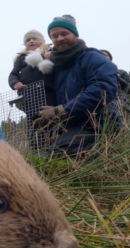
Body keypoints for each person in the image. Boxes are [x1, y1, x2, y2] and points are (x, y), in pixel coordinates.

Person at [33, 15, 119, 157]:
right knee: (45, 154)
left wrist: (62, 111)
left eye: (64, 33)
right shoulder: (58, 68)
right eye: (54, 36)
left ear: (75, 35)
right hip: (71, 127)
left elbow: (103, 89)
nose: (59, 38)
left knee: (63, 153)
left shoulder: (93, 58)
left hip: (98, 125)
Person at [8, 29, 56, 152]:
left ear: (42, 41)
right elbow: (13, 75)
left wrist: (52, 57)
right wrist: (15, 83)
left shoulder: (52, 52)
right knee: (33, 124)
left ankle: (52, 151)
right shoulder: (21, 58)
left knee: (51, 121)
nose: (31, 41)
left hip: (48, 93)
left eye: (34, 38)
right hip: (29, 96)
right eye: (28, 40)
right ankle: (36, 152)